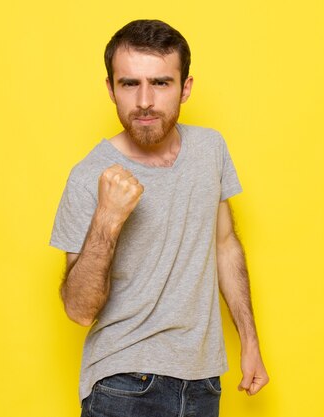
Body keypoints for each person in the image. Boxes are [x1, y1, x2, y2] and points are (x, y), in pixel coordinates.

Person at [50, 19, 269, 417]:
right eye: (130, 84)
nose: (145, 100)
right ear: (110, 88)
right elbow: (79, 311)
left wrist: (250, 343)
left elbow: (224, 245)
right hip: (123, 384)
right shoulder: (89, 175)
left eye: (161, 83)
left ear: (185, 88)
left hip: (203, 382)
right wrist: (107, 219)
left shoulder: (210, 149)